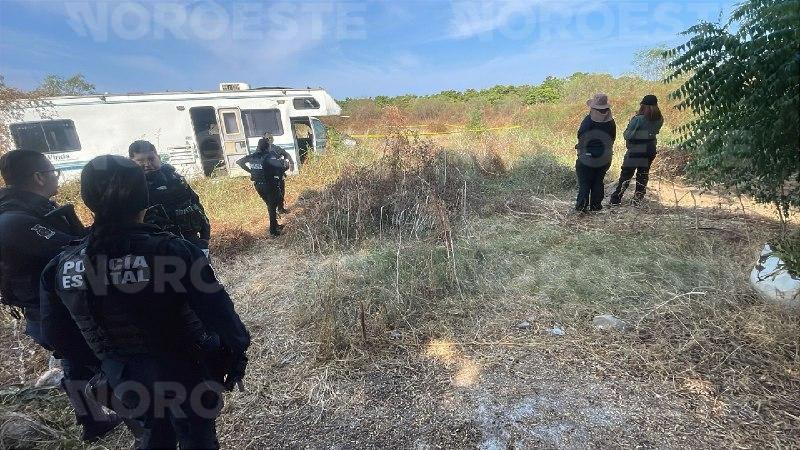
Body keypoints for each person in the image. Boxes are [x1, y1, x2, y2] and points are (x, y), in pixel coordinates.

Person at [40, 155, 251, 449]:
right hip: (186, 372)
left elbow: (55, 335)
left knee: (153, 433)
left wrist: (106, 364)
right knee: (198, 438)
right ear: (144, 197)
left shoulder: (62, 265)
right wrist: (233, 353)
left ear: (87, 200)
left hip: (123, 378)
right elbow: (221, 316)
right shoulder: (173, 252)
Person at [0, 150, 120, 442]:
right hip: (51, 311)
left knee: (74, 362)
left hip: (55, 307)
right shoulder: (15, 220)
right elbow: (75, 249)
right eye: (52, 172)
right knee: (101, 364)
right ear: (38, 177)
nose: (56, 177)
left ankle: (93, 421)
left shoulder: (29, 211)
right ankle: (142, 419)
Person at [128, 141, 211, 252]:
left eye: (151, 159)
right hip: (159, 248)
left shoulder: (176, 180)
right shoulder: (131, 189)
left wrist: (205, 237)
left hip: (193, 243)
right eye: (140, 161)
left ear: (158, 157)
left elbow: (196, 205)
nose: (147, 164)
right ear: (131, 163)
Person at [609, 95, 664, 205]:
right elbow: (653, 132)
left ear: (643, 106)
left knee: (626, 175)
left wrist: (631, 123)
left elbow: (627, 135)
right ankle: (637, 200)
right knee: (643, 174)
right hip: (650, 148)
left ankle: (616, 199)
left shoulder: (638, 119)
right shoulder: (660, 119)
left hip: (637, 148)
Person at [237, 135, 290, 237]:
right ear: (267, 147)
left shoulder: (253, 156)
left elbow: (239, 162)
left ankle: (275, 225)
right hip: (269, 185)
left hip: (258, 186)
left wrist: (251, 171)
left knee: (270, 205)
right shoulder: (269, 156)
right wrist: (286, 167)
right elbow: (281, 168)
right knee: (272, 207)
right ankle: (273, 231)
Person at [574, 93, 616, 212]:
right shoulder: (611, 122)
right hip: (605, 156)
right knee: (598, 181)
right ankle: (596, 207)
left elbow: (581, 136)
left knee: (585, 183)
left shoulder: (588, 120)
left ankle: (581, 208)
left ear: (593, 107)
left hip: (588, 156)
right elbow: (612, 138)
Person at [255, 133, 294, 214]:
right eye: (267, 138)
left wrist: (291, 163)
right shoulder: (259, 150)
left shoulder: (276, 148)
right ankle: (274, 212)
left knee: (281, 192)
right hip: (267, 177)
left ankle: (281, 209)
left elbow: (286, 154)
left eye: (271, 138)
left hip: (278, 174)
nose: (270, 139)